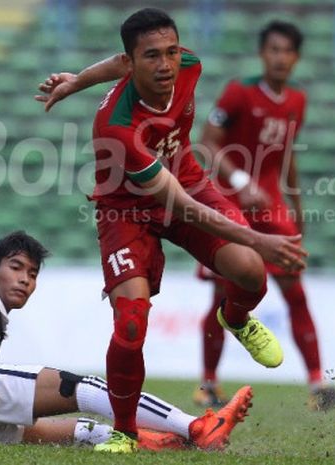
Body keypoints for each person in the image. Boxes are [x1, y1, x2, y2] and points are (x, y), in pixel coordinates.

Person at [35, 8, 307, 452]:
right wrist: (260, 236)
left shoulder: (189, 65)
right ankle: (125, 433)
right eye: (151, 57)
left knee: (251, 272)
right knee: (130, 324)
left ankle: (234, 317)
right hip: (126, 209)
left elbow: (119, 61)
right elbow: (177, 204)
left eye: (171, 52)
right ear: (132, 62)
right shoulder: (116, 127)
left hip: (189, 175)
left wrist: (77, 79)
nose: (165, 65)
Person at [0, 231, 254, 452]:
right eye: (16, 267)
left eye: (32, 273)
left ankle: (174, 445)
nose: (25, 279)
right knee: (82, 387)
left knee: (77, 433)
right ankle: (196, 427)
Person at [193, 20, 335, 411]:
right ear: (263, 53)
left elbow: (287, 155)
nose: (280, 57)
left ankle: (318, 387)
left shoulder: (297, 100)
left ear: (296, 58)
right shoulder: (239, 92)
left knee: (296, 293)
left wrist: (297, 206)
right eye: (274, 49)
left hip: (273, 209)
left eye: (288, 51)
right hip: (231, 205)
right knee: (222, 297)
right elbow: (207, 143)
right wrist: (242, 180)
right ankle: (208, 384)